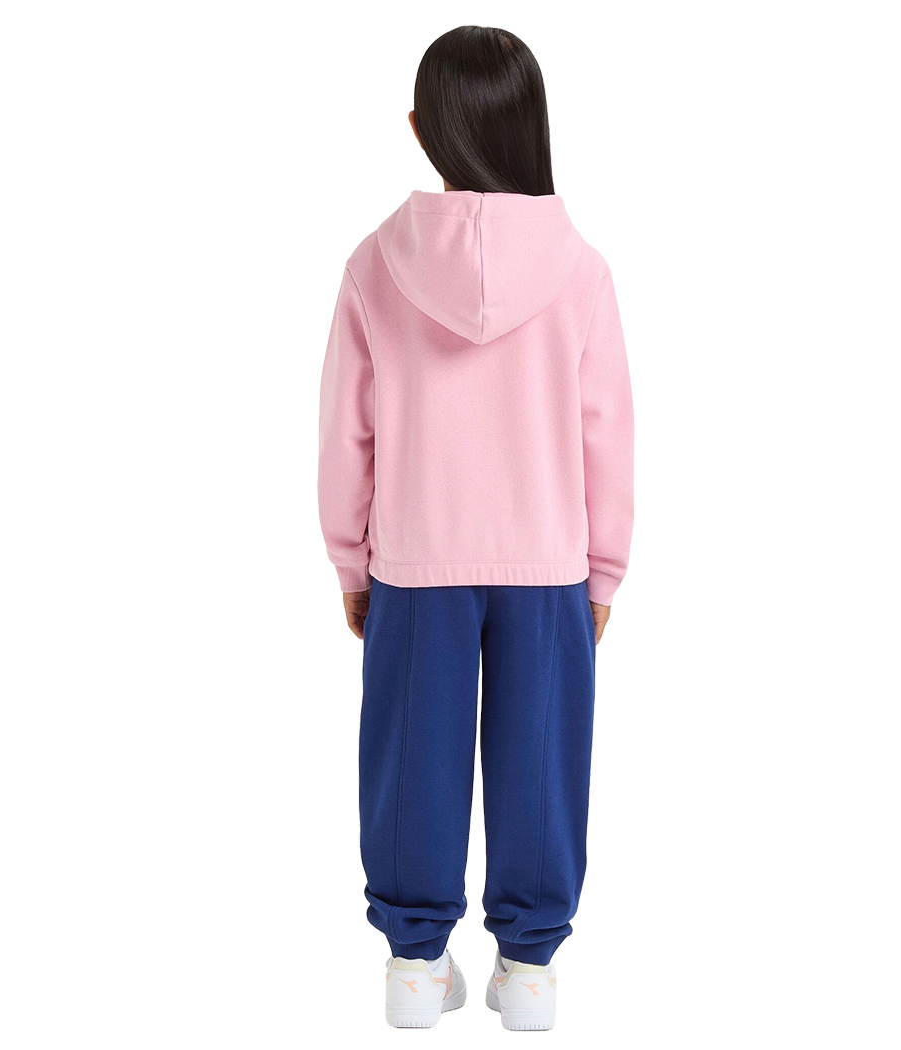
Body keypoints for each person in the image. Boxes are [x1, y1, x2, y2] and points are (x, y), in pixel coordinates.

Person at [317, 25, 634, 1031]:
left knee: (414, 753)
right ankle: (529, 970)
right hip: (546, 559)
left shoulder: (376, 265)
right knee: (541, 758)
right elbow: (607, 433)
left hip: (416, 554)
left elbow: (347, 431)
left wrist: (351, 559)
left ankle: (415, 965)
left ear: (422, 129)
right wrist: (603, 571)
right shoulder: (580, 270)